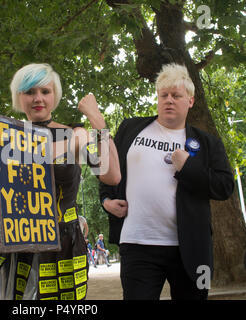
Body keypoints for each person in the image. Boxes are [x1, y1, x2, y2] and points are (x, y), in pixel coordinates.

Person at [99, 63, 234, 300]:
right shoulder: (130, 128)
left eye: (176, 95)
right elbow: (109, 168)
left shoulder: (208, 143)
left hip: (191, 248)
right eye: (164, 95)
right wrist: (106, 199)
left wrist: (188, 167)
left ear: (190, 101)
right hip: (137, 243)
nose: (169, 100)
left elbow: (224, 187)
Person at [0, 63, 121, 300]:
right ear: (18, 97)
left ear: (55, 95)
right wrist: (72, 143)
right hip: (21, 245)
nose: (37, 98)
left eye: (45, 91)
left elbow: (111, 175)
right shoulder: (7, 135)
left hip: (65, 245)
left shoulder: (71, 132)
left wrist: (97, 122)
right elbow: (29, 160)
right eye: (29, 92)